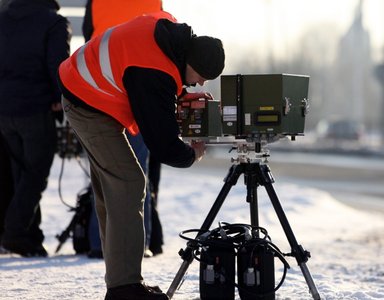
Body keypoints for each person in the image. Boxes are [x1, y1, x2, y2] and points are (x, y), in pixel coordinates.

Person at [58, 11, 224, 299]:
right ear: (191, 62)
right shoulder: (153, 71)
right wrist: (193, 154)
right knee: (129, 182)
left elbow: (146, 77)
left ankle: (121, 282)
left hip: (83, 86)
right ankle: (124, 288)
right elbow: (162, 143)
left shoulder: (169, 32)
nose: (198, 85)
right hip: (87, 102)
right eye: (199, 78)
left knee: (114, 188)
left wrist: (177, 93)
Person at [82, 0, 164, 259]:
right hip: (136, 90)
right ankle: (140, 244)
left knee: (103, 172)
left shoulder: (96, 1)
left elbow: (88, 35)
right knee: (138, 172)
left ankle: (100, 242)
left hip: (99, 88)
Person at [0, 0, 70, 257]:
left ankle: (30, 236)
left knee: (21, 173)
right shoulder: (53, 22)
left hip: (4, 109)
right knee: (35, 173)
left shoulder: (4, 17)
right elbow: (58, 65)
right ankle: (16, 232)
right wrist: (59, 99)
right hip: (35, 106)